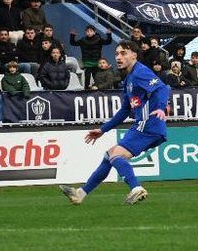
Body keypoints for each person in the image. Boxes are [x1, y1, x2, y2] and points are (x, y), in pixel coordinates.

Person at [60, 41, 170, 206]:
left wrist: (161, 108)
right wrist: (103, 129)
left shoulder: (140, 72)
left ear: (134, 55)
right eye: (117, 53)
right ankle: (80, 194)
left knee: (115, 155)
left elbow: (162, 88)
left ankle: (136, 188)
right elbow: (125, 110)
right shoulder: (128, 80)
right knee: (109, 155)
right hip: (144, 125)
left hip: (149, 124)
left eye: (123, 53)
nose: (119, 57)